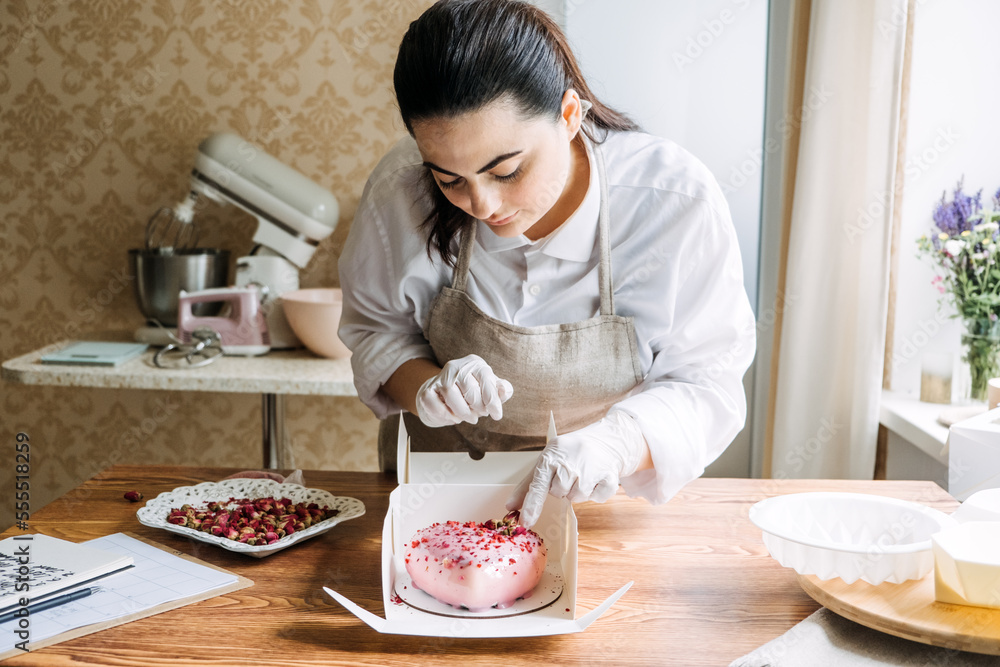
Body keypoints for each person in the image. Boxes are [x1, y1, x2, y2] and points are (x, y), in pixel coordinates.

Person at [338, 0, 755, 528]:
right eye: (449, 180)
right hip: (435, 503)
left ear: (570, 114)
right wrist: (428, 388)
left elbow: (708, 383)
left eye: (507, 171)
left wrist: (619, 442)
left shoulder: (672, 200)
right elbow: (377, 333)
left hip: (604, 514)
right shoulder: (401, 189)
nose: (483, 205)